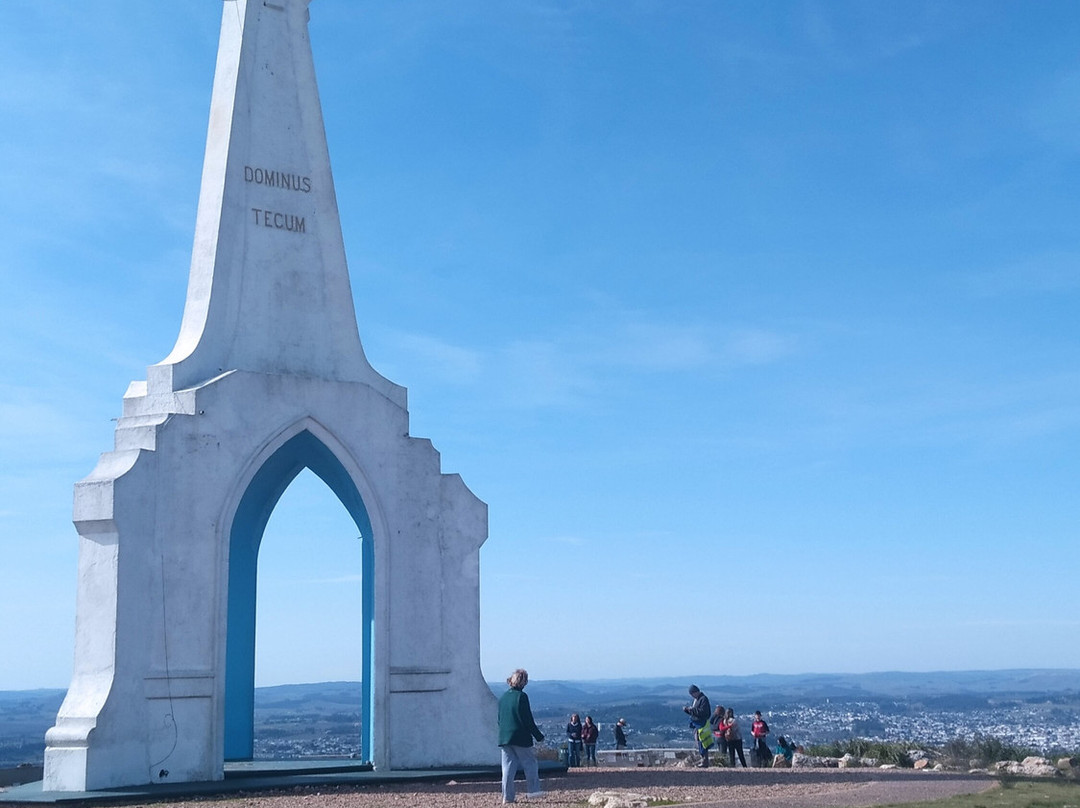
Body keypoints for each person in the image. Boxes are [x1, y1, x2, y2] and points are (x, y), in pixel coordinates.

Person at [498, 668, 545, 803]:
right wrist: (538, 735)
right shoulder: (522, 697)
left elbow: (499, 719)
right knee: (530, 763)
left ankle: (507, 797)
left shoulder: (503, 698)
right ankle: (534, 792)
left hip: (504, 737)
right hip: (520, 736)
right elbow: (527, 719)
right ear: (522, 681)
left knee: (507, 768)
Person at [682, 685, 712, 767]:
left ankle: (705, 761)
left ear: (695, 692)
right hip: (697, 724)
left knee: (703, 743)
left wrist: (691, 709)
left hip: (702, 724)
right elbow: (695, 713)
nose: (692, 696)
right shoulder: (697, 700)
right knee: (699, 743)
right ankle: (703, 760)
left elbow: (703, 712)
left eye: (692, 694)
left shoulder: (703, 699)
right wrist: (688, 711)